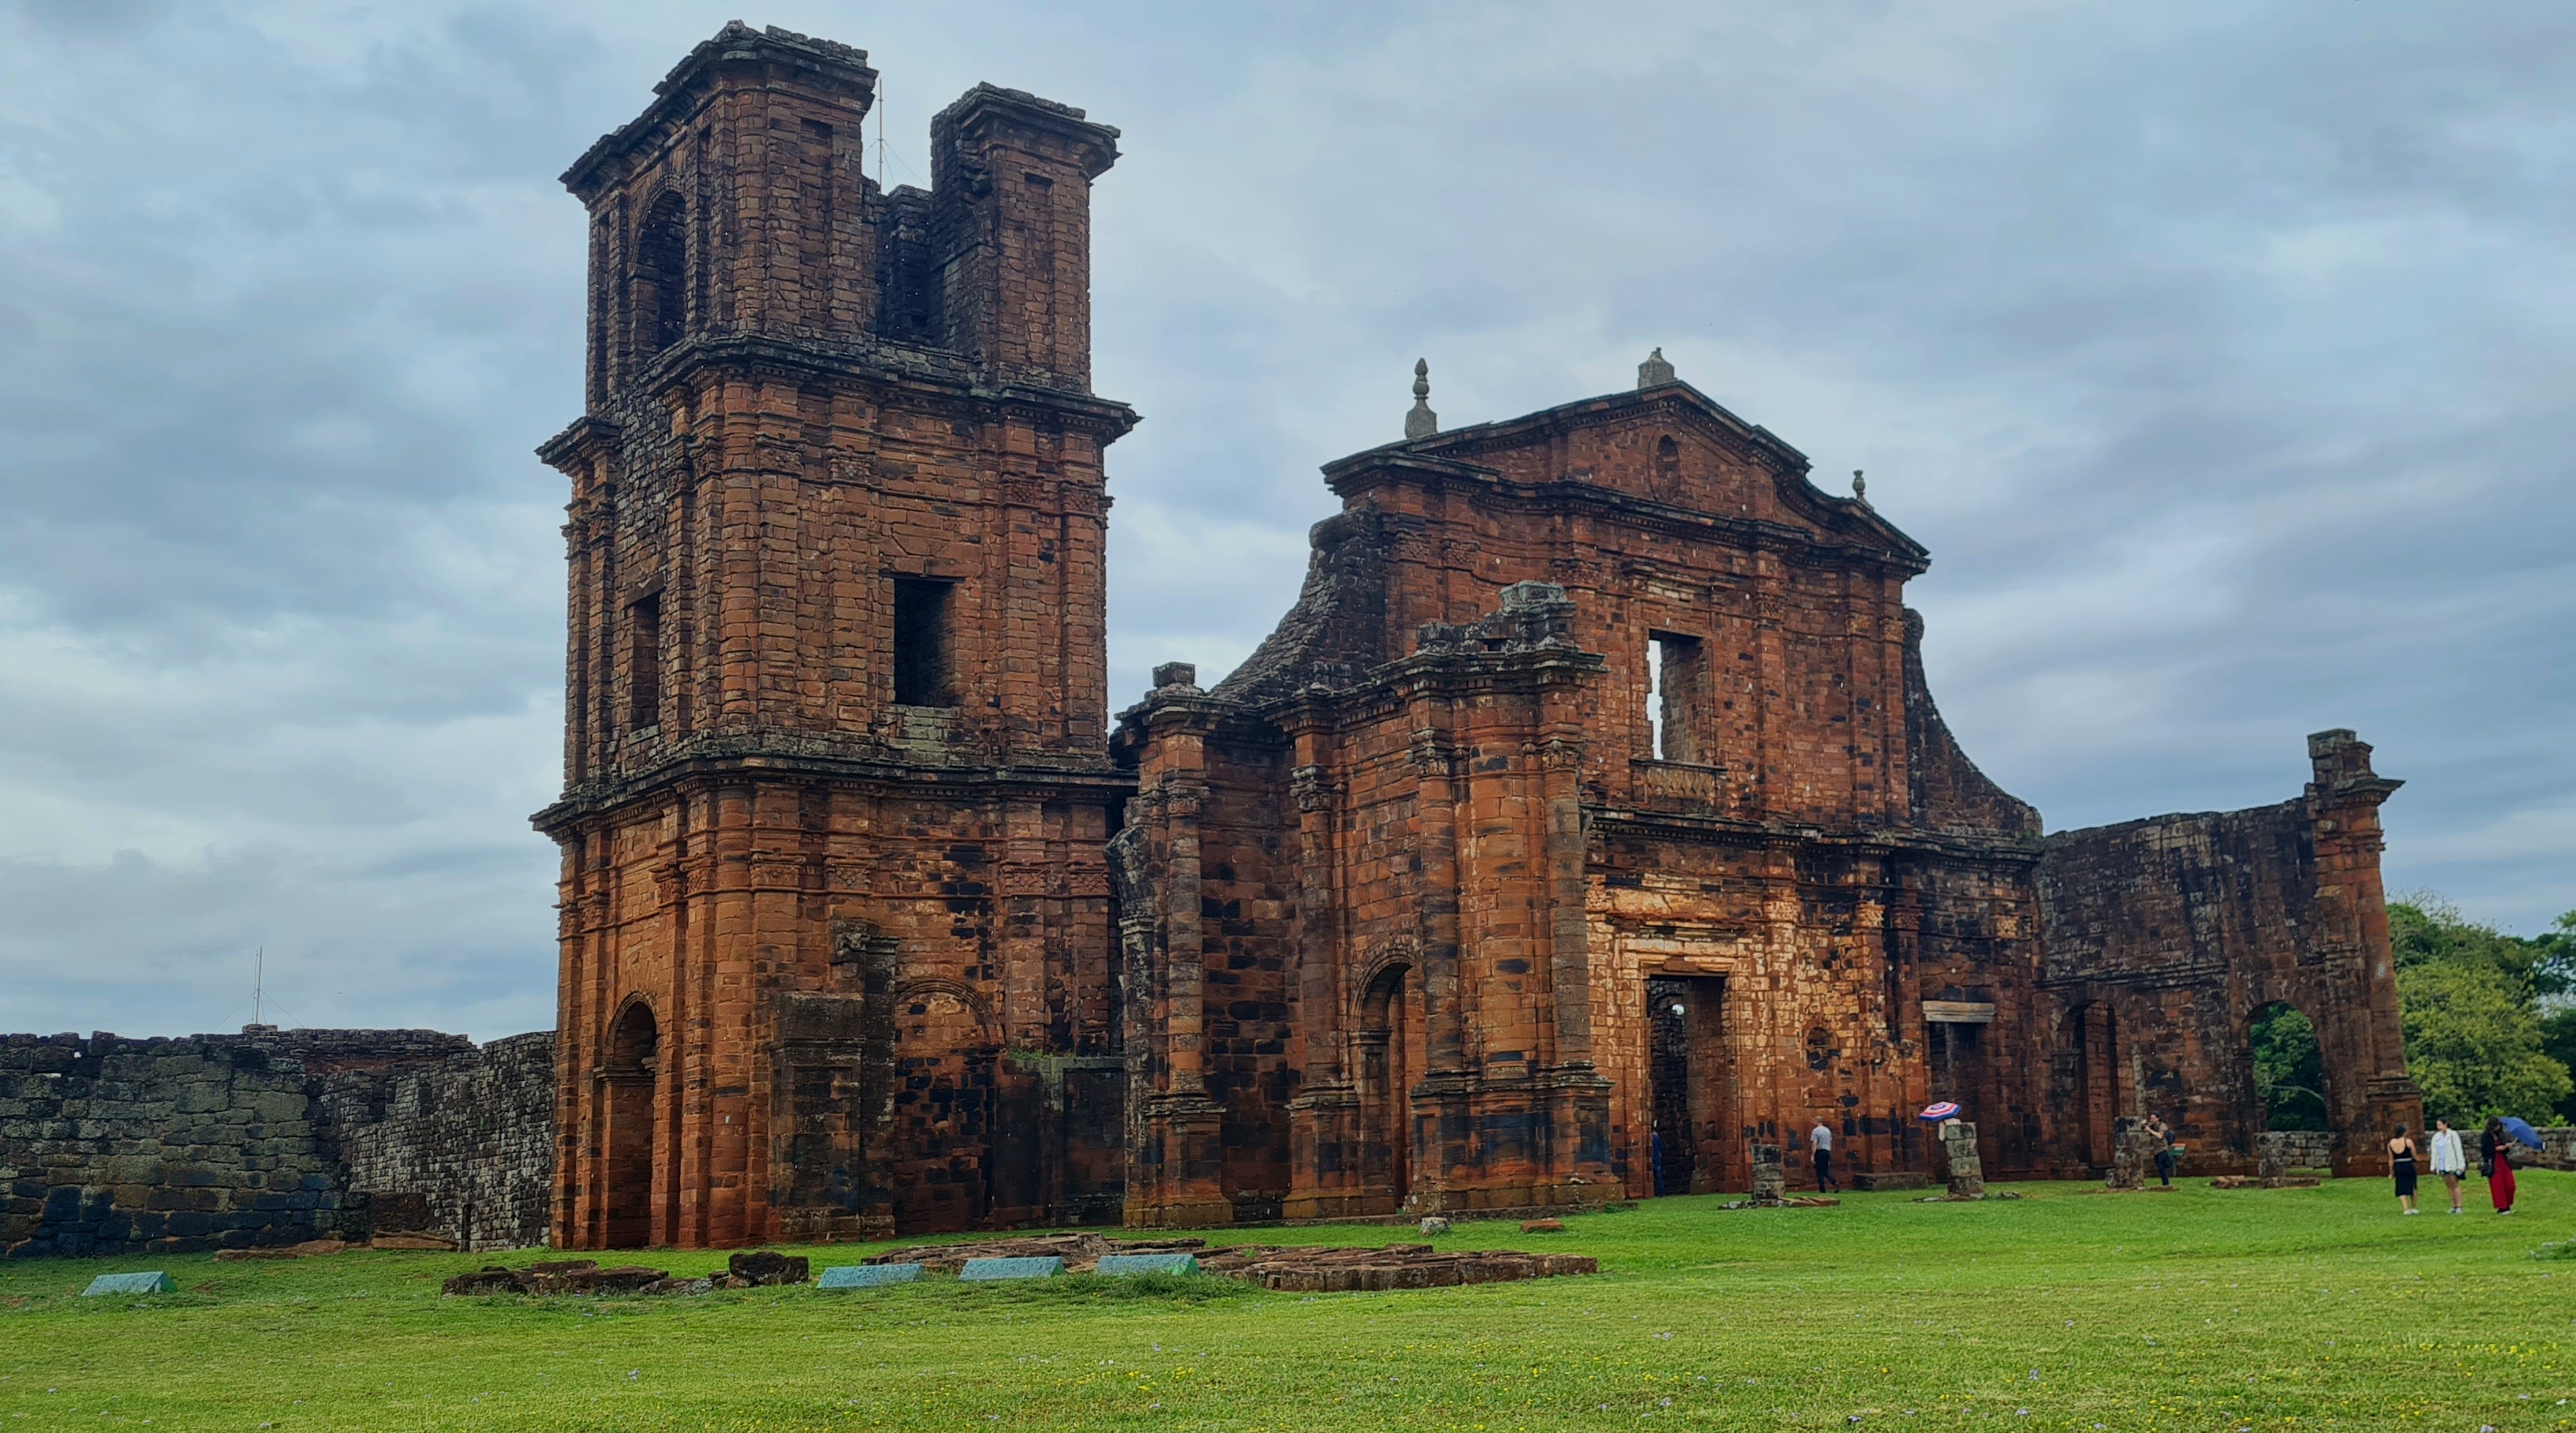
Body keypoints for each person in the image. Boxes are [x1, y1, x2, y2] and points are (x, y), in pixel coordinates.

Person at [2428, 1119, 2466, 1214]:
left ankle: (2459, 1206)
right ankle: (2453, 1205)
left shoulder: (2453, 1135)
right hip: (2442, 1164)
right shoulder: (2436, 1137)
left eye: (2440, 1125)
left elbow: (2458, 1149)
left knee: (2455, 1184)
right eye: (2438, 1125)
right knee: (2448, 1185)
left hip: (2452, 1163)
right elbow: (2434, 1152)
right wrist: (2433, 1165)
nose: (2439, 1127)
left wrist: (2461, 1165)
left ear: (2446, 1125)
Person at [2482, 1118, 2518, 1214]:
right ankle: (2502, 1207)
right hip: (2494, 1162)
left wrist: (2507, 1147)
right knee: (2498, 1185)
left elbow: (2505, 1148)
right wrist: (2496, 1149)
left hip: (2503, 1161)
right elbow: (2485, 1151)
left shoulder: (2500, 1134)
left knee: (2510, 1184)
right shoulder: (2486, 1136)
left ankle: (2508, 1204)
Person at [2387, 1124, 2421, 1214]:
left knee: (2401, 1187)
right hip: (2408, 1164)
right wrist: (2416, 1159)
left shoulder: (2391, 1143)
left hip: (2398, 1166)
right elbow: (2414, 1154)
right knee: (2413, 1186)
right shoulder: (2408, 1142)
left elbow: (2391, 1159)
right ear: (2404, 1132)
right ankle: (2414, 1207)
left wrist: (2391, 1172)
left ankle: (2406, 1209)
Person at [2147, 1114, 2177, 1187]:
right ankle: (2165, 1183)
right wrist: (2144, 1125)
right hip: (2156, 1150)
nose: (2152, 1120)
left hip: (2163, 1148)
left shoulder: (2162, 1125)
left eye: (2153, 1118)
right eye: (2151, 1118)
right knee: (2159, 1166)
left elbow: (2160, 1136)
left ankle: (2166, 1183)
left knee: (2162, 1166)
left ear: (2158, 1118)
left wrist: (2150, 1130)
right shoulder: (2152, 1126)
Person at [1809, 1119, 1837, 1192]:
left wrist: (1812, 1155)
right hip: (1827, 1152)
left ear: (1816, 1122)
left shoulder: (1815, 1131)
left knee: (1819, 1171)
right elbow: (1830, 1142)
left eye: (1814, 1122)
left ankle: (1822, 1189)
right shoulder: (1827, 1131)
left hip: (1820, 1152)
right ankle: (1834, 1182)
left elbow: (1814, 1144)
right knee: (1825, 1170)